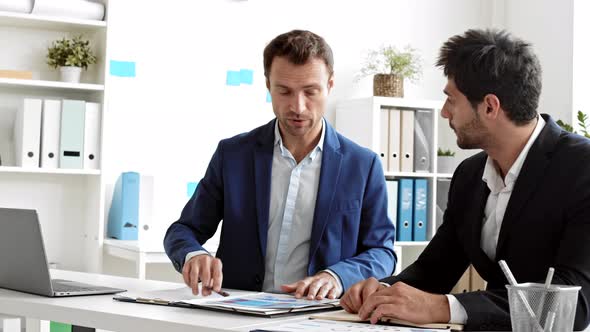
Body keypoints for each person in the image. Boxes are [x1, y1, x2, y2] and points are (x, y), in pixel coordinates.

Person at [340, 28, 590, 331]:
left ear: (489, 106)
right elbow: (434, 270)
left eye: (450, 100)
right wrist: (381, 291)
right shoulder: (470, 175)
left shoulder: (582, 168)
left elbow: (573, 305)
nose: (445, 113)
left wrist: (445, 307)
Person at [164, 29, 396, 300]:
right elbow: (182, 230)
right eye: (284, 91)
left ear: (330, 86)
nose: (298, 107)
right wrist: (194, 254)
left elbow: (382, 253)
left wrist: (338, 276)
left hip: (317, 317)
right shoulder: (233, 155)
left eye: (310, 92)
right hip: (236, 314)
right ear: (268, 86)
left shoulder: (363, 165)